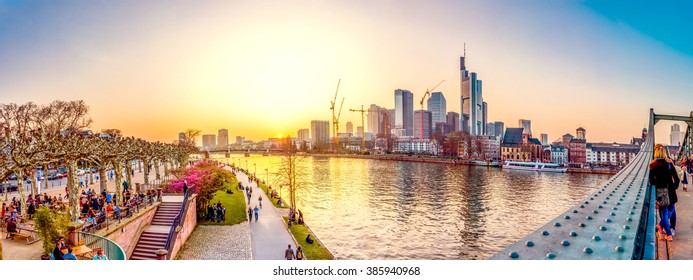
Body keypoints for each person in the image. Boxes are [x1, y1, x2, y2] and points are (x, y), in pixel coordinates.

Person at [649, 144, 680, 241]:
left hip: (660, 192)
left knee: (664, 212)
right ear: (664, 153)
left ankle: (664, 231)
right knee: (671, 210)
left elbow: (652, 181)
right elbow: (677, 179)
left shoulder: (653, 165)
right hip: (670, 190)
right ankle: (668, 230)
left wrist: (658, 184)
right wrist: (674, 187)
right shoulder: (670, 164)